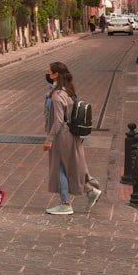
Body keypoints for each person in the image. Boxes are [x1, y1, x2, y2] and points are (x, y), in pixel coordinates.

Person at [43, 61, 101, 215]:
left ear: (55, 74)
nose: (46, 73)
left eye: (49, 71)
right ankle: (90, 191)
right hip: (71, 134)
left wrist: (49, 140)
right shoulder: (68, 90)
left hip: (61, 136)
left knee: (60, 168)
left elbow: (58, 120)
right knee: (71, 167)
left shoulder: (56, 95)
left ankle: (66, 203)